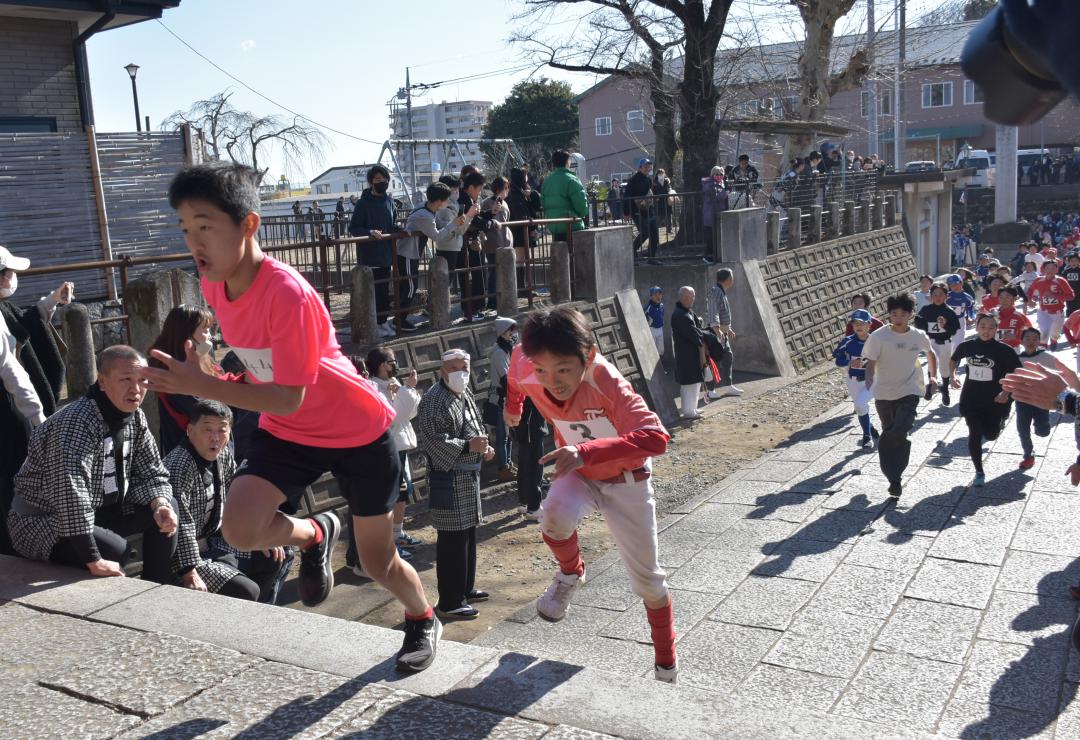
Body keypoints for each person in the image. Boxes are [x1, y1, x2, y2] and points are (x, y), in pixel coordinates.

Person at [149, 162, 440, 673]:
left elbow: (288, 396)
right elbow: (267, 376)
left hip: (357, 431)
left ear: (248, 225)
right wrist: (215, 374)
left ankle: (422, 618)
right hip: (289, 431)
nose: (194, 241)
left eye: (205, 226)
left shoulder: (287, 294)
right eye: (186, 229)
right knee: (240, 527)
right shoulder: (214, 281)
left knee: (377, 562)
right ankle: (316, 534)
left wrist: (204, 385)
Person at [504, 306, 677, 684]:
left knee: (649, 582)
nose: (553, 381)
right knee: (553, 515)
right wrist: (512, 408)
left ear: (589, 355)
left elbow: (656, 438)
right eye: (543, 371)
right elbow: (514, 379)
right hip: (579, 472)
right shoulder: (525, 364)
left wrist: (584, 451)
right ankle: (570, 574)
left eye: (564, 369)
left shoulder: (606, 381)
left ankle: (666, 663)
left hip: (625, 478)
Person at [8, 345, 179, 581]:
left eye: (142, 380)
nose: (136, 389)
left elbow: (152, 472)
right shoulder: (75, 422)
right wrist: (92, 558)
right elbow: (70, 491)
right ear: (102, 381)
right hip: (45, 520)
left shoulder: (135, 417)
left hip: (104, 509)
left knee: (167, 509)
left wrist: (159, 503)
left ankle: (158, 584)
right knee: (114, 551)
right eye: (126, 379)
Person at [0, 245, 70, 554]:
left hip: (12, 405)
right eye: (10, 273)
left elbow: (26, 321)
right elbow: (12, 371)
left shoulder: (4, 310)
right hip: (8, 410)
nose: (14, 278)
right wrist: (38, 417)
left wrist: (52, 301)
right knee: (12, 473)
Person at [417, 349, 493, 621]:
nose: (462, 372)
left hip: (469, 474)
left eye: (466, 366)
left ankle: (465, 587)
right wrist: (467, 446)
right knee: (452, 539)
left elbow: (475, 426)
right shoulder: (433, 400)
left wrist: (484, 446)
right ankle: (450, 600)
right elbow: (432, 441)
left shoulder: (464, 393)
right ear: (442, 370)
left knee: (468, 534)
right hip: (447, 477)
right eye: (455, 367)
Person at [165, 399, 262, 600]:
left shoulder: (223, 455)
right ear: (190, 431)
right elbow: (181, 522)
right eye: (207, 430)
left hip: (216, 540)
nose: (215, 438)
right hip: (186, 557)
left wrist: (261, 532)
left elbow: (236, 498)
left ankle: (264, 609)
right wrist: (189, 571)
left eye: (222, 430)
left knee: (276, 554)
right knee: (247, 591)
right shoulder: (178, 465)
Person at [148, 304, 254, 459]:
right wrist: (248, 393)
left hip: (219, 453)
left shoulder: (207, 362)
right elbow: (212, 414)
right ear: (186, 335)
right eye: (205, 330)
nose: (210, 336)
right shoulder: (175, 375)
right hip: (191, 460)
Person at [862, 293, 938, 499]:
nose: (899, 318)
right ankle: (894, 479)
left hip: (909, 389)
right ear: (889, 315)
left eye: (903, 314)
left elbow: (931, 354)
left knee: (901, 428)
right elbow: (870, 362)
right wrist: (869, 378)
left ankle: (892, 466)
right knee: (893, 434)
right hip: (884, 392)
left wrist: (934, 377)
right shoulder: (878, 337)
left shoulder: (918, 335)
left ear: (911, 314)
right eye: (894, 314)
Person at [948, 313, 1022, 486]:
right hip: (971, 397)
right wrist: (952, 376)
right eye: (982, 326)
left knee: (991, 434)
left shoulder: (1004, 350)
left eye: (991, 327)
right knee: (974, 433)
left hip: (995, 399)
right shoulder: (967, 345)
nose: (986, 331)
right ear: (977, 327)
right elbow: (953, 359)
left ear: (996, 329)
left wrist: (1005, 392)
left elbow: (1016, 372)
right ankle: (979, 471)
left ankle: (1000, 420)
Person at [364, 346, 423, 559]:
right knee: (392, 496)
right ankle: (389, 541)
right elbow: (394, 417)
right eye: (392, 361)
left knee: (402, 495)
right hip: (389, 449)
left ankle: (397, 533)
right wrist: (408, 389)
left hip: (401, 445)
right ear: (382, 365)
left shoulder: (392, 383)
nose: (395, 365)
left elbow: (410, 413)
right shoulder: (374, 387)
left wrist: (407, 390)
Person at [349, 165, 399, 339]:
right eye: (377, 180)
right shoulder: (363, 203)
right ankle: (374, 324)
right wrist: (369, 232)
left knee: (384, 292)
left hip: (385, 255)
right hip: (369, 255)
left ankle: (383, 322)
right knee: (373, 292)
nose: (381, 182)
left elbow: (392, 224)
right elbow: (354, 227)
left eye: (384, 179)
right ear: (371, 182)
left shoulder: (389, 201)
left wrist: (401, 229)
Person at [833, 309, 879, 449]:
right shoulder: (847, 342)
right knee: (860, 408)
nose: (858, 326)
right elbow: (838, 360)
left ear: (869, 324)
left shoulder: (876, 341)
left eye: (862, 323)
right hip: (853, 380)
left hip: (872, 380)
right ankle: (870, 428)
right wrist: (848, 363)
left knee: (860, 404)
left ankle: (866, 437)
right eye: (855, 323)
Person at [915, 282, 962, 406]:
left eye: (941, 294)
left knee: (944, 368)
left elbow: (954, 330)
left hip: (945, 342)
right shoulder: (926, 310)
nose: (937, 297)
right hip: (930, 342)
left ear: (946, 296)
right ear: (931, 296)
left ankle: (945, 389)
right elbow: (920, 325)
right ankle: (931, 386)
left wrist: (944, 325)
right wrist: (916, 319)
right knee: (931, 366)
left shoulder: (949, 311)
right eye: (934, 294)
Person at [1015, 328, 1054, 470]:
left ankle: (1042, 425)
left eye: (1034, 339)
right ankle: (1028, 455)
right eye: (1027, 338)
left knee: (1042, 432)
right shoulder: (1018, 359)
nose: (1031, 342)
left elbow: (1056, 377)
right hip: (1023, 399)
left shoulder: (1047, 357)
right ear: (1021, 341)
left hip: (1041, 399)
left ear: (1039, 341)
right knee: (1022, 429)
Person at [487, 317, 518, 482]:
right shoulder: (500, 352)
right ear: (503, 332)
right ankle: (503, 468)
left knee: (508, 434)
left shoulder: (506, 349)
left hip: (506, 397)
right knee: (502, 435)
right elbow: (506, 378)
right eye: (510, 330)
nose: (512, 333)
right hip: (500, 398)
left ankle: (508, 464)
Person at [670, 286, 707, 419]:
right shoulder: (680, 314)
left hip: (692, 353)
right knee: (688, 383)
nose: (692, 299)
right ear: (683, 298)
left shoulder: (686, 311)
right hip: (686, 354)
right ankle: (688, 411)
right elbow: (694, 334)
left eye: (693, 297)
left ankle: (693, 408)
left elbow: (697, 330)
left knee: (696, 381)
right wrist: (704, 337)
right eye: (689, 297)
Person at [705, 268, 742, 397]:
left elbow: (722, 313)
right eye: (732, 278)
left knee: (727, 357)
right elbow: (713, 313)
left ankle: (728, 385)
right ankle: (710, 390)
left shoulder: (721, 292)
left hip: (722, 331)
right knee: (714, 360)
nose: (733, 280)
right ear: (728, 279)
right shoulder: (716, 292)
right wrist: (717, 330)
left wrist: (728, 329)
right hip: (715, 332)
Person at [459, 170, 490, 322]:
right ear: (471, 187)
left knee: (470, 276)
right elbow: (474, 221)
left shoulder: (466, 199)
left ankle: (473, 309)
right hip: (466, 244)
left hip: (469, 242)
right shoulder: (464, 200)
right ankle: (471, 311)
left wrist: (489, 214)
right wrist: (489, 223)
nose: (480, 192)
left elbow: (477, 219)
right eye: (479, 189)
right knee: (470, 277)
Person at [540, 150, 588, 242]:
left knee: (559, 254)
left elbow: (543, 203)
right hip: (572, 225)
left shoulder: (547, 181)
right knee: (576, 254)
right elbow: (581, 205)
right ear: (568, 161)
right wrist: (582, 214)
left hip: (554, 225)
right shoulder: (572, 179)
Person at [480, 177, 513, 311]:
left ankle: (503, 296)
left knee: (501, 270)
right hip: (493, 242)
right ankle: (492, 299)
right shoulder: (487, 203)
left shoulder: (505, 203)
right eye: (502, 189)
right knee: (493, 271)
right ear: (495, 189)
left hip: (505, 240)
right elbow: (484, 220)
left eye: (506, 188)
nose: (504, 192)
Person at [1028, 259, 1075, 348]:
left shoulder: (1061, 281)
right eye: (1048, 268)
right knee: (1044, 332)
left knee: (1055, 334)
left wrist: (1055, 296)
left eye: (1053, 268)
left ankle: (1053, 341)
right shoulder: (1038, 280)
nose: (1050, 270)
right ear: (1043, 270)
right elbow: (1030, 290)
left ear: (1057, 270)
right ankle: (1043, 350)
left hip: (1058, 312)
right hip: (1043, 311)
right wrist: (1029, 300)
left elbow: (1071, 296)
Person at [626, 158, 660, 262]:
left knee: (655, 234)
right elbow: (626, 196)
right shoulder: (633, 180)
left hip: (649, 210)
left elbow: (651, 193)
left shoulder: (648, 180)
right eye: (645, 166)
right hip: (637, 211)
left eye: (649, 166)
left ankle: (652, 257)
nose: (648, 168)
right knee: (645, 232)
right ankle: (632, 249)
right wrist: (626, 212)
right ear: (640, 167)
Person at [701, 166, 728, 263]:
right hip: (710, 214)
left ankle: (714, 255)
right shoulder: (710, 184)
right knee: (710, 237)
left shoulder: (720, 183)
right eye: (717, 174)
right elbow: (715, 196)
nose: (719, 176)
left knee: (715, 236)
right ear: (713, 175)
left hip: (716, 213)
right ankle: (707, 256)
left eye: (721, 174)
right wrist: (725, 193)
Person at [945, 275, 976, 356]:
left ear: (961, 283)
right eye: (951, 285)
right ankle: (947, 356)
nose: (955, 286)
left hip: (960, 321)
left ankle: (956, 358)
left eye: (957, 283)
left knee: (958, 341)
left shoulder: (967, 297)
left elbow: (971, 310)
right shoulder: (946, 296)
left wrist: (971, 318)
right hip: (947, 321)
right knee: (946, 340)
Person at [994, 285, 1032, 350]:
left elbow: (1030, 335)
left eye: (1007, 297)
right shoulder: (993, 314)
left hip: (1014, 350)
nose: (1004, 300)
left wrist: (1016, 337)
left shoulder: (1019, 317)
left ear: (1015, 298)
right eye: (1001, 297)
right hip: (995, 349)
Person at [644, 286, 665, 358]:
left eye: (659, 294)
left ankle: (660, 366)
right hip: (651, 330)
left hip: (660, 329)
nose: (658, 296)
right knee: (653, 350)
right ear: (651, 296)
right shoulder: (648, 308)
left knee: (661, 350)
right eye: (655, 294)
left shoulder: (661, 306)